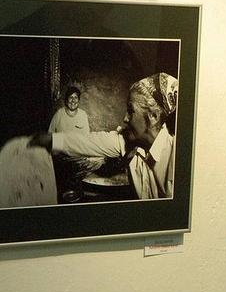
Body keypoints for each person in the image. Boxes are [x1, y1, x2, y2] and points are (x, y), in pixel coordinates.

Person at [30, 73, 178, 199]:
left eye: (131, 111)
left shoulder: (176, 159)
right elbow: (89, 141)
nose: (125, 119)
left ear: (153, 116)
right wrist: (52, 139)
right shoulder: (126, 141)